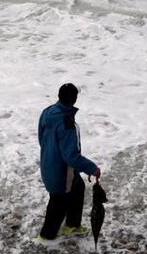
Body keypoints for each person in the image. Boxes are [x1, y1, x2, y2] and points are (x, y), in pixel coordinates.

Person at [37, 83, 101, 241]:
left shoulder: (48, 112)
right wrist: (92, 168)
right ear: (74, 99)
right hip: (61, 171)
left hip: (48, 162)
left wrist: (49, 154)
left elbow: (41, 137)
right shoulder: (67, 124)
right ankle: (45, 237)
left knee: (77, 187)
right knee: (58, 202)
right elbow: (70, 156)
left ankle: (71, 225)